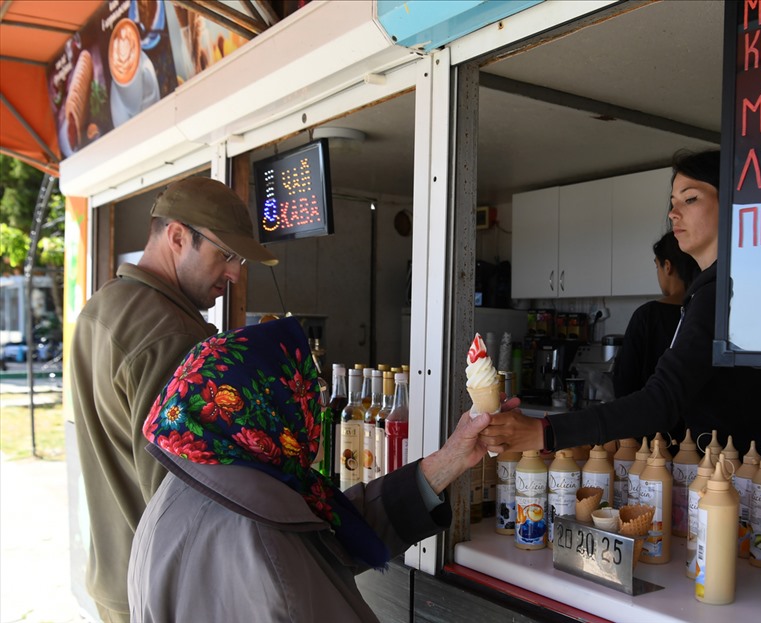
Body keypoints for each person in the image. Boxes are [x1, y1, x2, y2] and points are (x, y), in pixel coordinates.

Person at [128, 316, 506, 622]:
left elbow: (322, 533)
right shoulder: (260, 544)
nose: (316, 406)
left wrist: (448, 461)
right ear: (267, 406)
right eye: (305, 389)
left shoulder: (198, 481)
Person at [481, 150, 761, 458]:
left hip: (748, 476)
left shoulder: (723, 292)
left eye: (691, 199)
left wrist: (545, 431)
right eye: (672, 203)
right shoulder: (721, 286)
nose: (673, 214)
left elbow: (662, 401)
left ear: (734, 206)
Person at [71, 177, 278, 622]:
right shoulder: (173, 337)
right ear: (178, 237)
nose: (236, 274)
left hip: (116, 580)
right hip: (163, 595)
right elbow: (182, 502)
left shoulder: (101, 307)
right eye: (226, 254)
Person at [612, 230, 700, 398]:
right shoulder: (703, 312)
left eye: (656, 266)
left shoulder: (646, 316)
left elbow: (624, 382)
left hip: (650, 418)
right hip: (694, 421)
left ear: (667, 267)